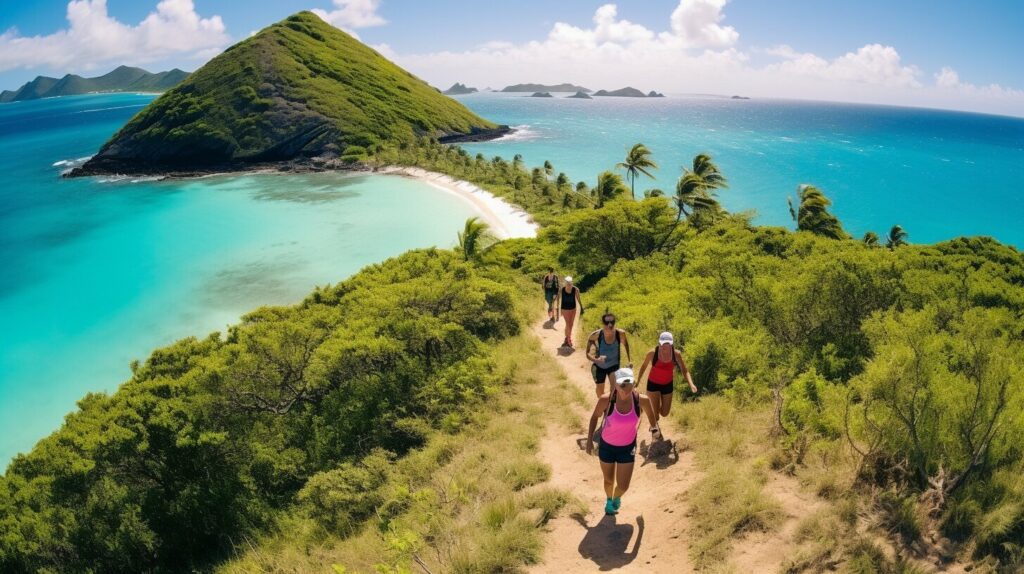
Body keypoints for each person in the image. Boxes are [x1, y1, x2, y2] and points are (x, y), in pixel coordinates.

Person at [586, 368, 658, 515]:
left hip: (627, 448)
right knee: (609, 481)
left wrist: (655, 432)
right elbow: (594, 417)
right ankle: (608, 501)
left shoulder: (641, 400)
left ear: (634, 383)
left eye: (629, 384)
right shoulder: (607, 399)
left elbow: (652, 418)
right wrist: (589, 441)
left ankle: (616, 497)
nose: (625, 389)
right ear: (615, 385)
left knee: (623, 486)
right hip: (606, 446)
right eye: (621, 385)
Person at [635, 331, 698, 441]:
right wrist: (637, 381)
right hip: (653, 384)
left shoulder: (676, 354)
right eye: (664, 344)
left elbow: (684, 370)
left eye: (668, 344)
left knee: (664, 413)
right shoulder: (652, 353)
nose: (666, 347)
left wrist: (691, 384)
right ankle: (655, 431)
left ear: (672, 344)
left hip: (667, 385)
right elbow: (643, 367)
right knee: (656, 416)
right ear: (659, 343)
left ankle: (652, 409)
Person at [586, 313, 632, 397]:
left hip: (613, 366)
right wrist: (596, 360)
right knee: (600, 393)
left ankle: (610, 406)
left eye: (612, 322)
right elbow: (587, 354)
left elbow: (626, 345)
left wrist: (629, 361)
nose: (610, 325)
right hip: (599, 367)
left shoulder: (620, 334)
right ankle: (603, 404)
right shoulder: (595, 335)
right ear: (603, 323)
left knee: (614, 388)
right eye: (607, 322)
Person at [555, 276, 582, 347]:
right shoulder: (562, 290)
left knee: (571, 324)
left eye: (570, 283)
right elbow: (558, 299)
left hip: (573, 309)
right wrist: (557, 308)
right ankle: (568, 338)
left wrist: (582, 308)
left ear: (572, 283)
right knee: (568, 324)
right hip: (565, 309)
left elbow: (579, 299)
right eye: (567, 283)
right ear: (565, 283)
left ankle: (567, 338)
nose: (569, 285)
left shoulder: (576, 290)